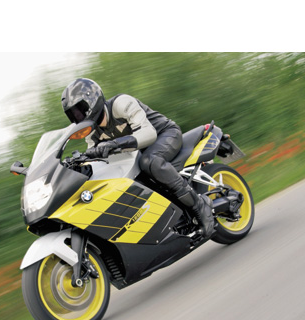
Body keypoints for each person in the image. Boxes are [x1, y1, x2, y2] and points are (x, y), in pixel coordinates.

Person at [61, 78, 214, 238]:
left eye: (80, 110)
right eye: (73, 114)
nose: (78, 117)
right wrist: (75, 165)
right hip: (137, 150)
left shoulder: (121, 104)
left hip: (164, 134)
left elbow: (149, 133)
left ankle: (200, 206)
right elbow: (93, 155)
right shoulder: (92, 131)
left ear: (92, 100)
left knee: (150, 162)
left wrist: (115, 143)